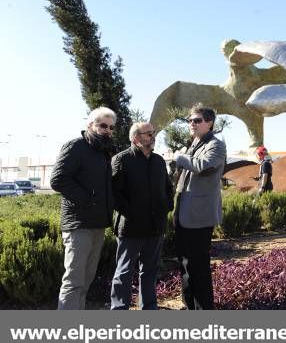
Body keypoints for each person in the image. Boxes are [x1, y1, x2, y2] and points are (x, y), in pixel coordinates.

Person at [50, 107, 116, 310]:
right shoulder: (76, 146)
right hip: (78, 224)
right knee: (74, 281)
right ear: (90, 125)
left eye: (111, 127)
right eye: (102, 125)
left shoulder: (104, 151)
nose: (107, 130)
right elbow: (58, 180)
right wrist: (88, 200)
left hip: (97, 224)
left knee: (86, 280)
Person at [110, 122, 174, 310]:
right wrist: (133, 214)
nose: (153, 136)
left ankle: (149, 308)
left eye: (153, 133)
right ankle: (119, 310)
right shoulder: (121, 160)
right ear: (136, 138)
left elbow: (167, 189)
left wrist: (167, 207)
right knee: (124, 272)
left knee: (150, 271)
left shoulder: (159, 161)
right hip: (131, 228)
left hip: (155, 227)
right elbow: (115, 194)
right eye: (148, 134)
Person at [173, 105, 227, 309]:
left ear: (209, 123)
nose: (191, 124)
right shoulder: (193, 144)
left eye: (197, 120)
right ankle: (189, 308)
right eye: (189, 121)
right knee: (186, 266)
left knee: (199, 268)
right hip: (183, 214)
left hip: (199, 217)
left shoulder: (216, 145)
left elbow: (202, 165)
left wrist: (179, 157)